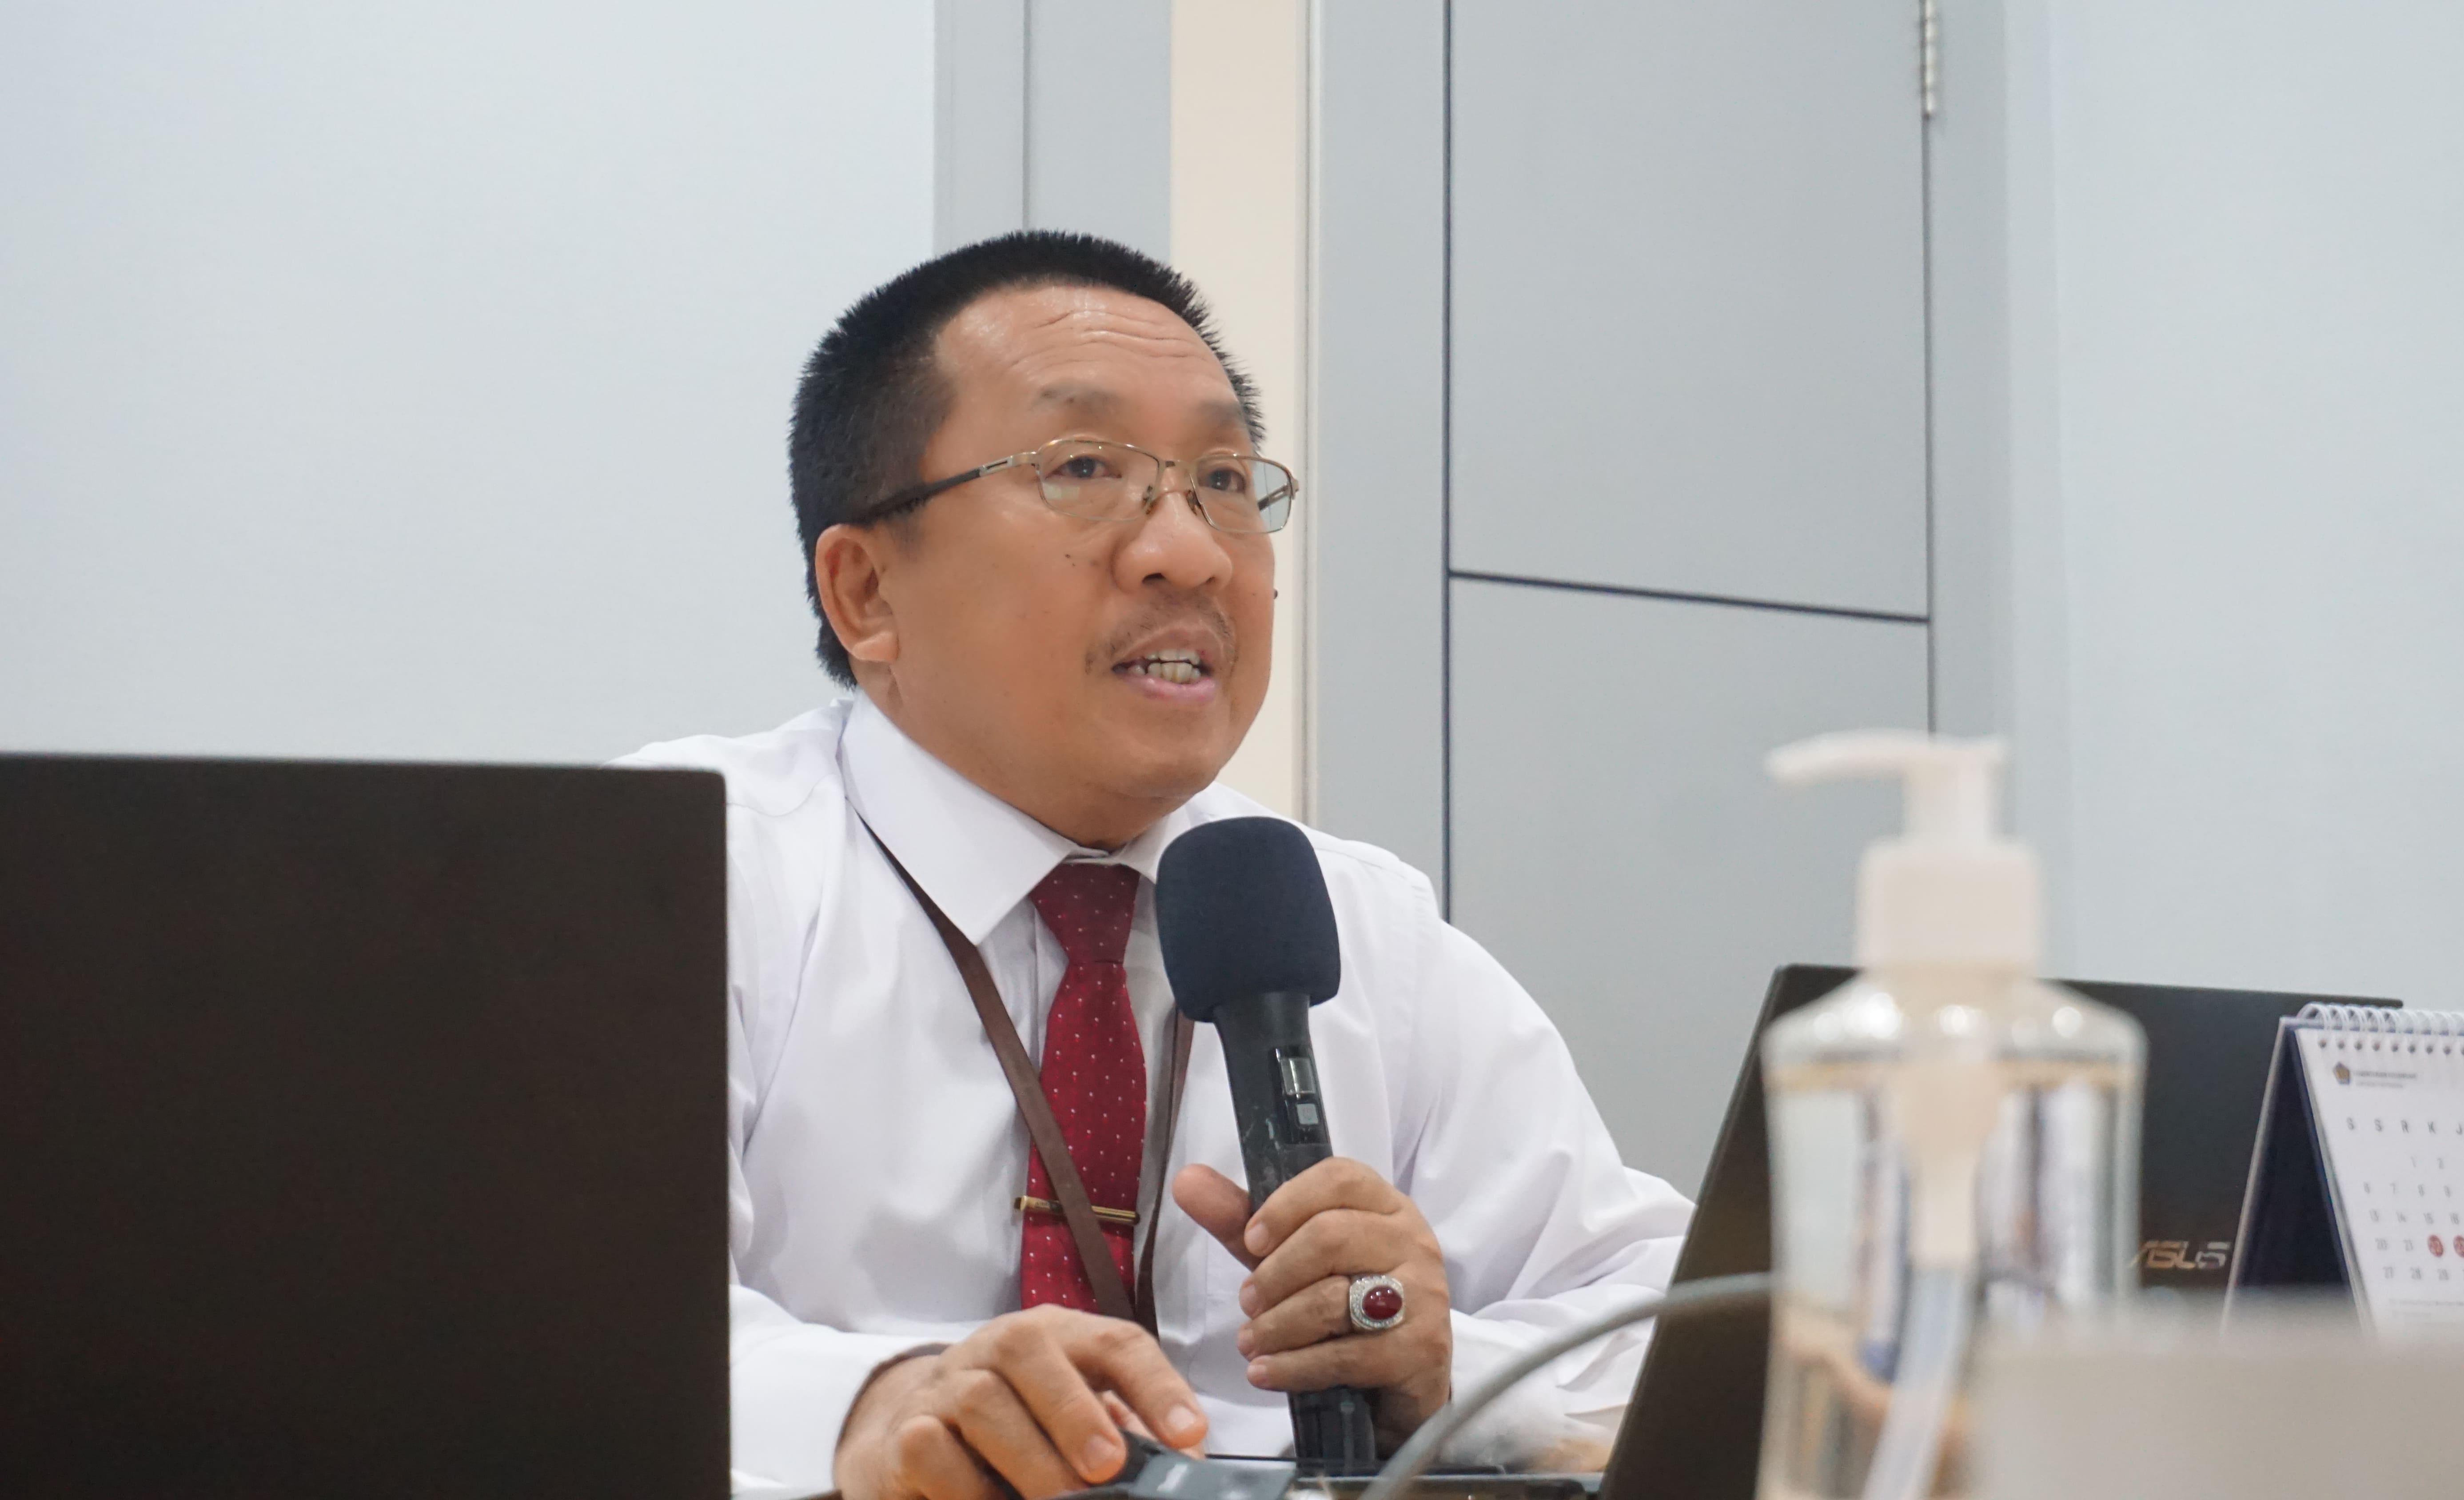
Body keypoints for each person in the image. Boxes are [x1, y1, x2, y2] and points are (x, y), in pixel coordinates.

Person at [623, 230, 1690, 1500]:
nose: (1190, 552)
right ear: (865, 593)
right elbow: (545, 1323)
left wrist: (1449, 1365)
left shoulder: (1354, 924)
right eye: (1082, 468)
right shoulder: (682, 870)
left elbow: (1685, 1336)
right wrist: (878, 1401)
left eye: (1225, 480)